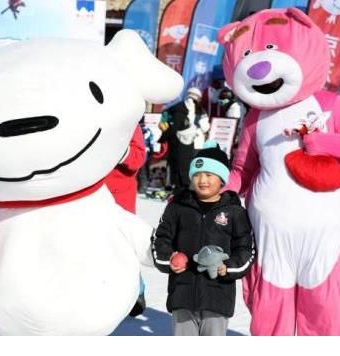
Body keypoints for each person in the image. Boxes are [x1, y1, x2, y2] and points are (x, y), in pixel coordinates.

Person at [151, 140, 255, 336]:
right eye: (197, 175)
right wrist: (169, 259)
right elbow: (160, 239)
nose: (202, 180)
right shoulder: (177, 207)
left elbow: (246, 249)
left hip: (217, 296)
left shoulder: (234, 212)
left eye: (209, 174)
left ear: (222, 179)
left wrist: (228, 267)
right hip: (182, 294)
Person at [104, 124, 148, 316]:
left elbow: (138, 157)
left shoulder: (128, 119)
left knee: (123, 245)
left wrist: (119, 151)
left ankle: (136, 290)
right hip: (89, 194)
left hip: (119, 195)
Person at [159, 87, 210, 194]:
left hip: (179, 141)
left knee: (177, 165)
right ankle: (190, 188)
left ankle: (174, 186)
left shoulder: (179, 107)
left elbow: (168, 118)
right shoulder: (201, 110)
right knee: (192, 166)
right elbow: (205, 127)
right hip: (196, 142)